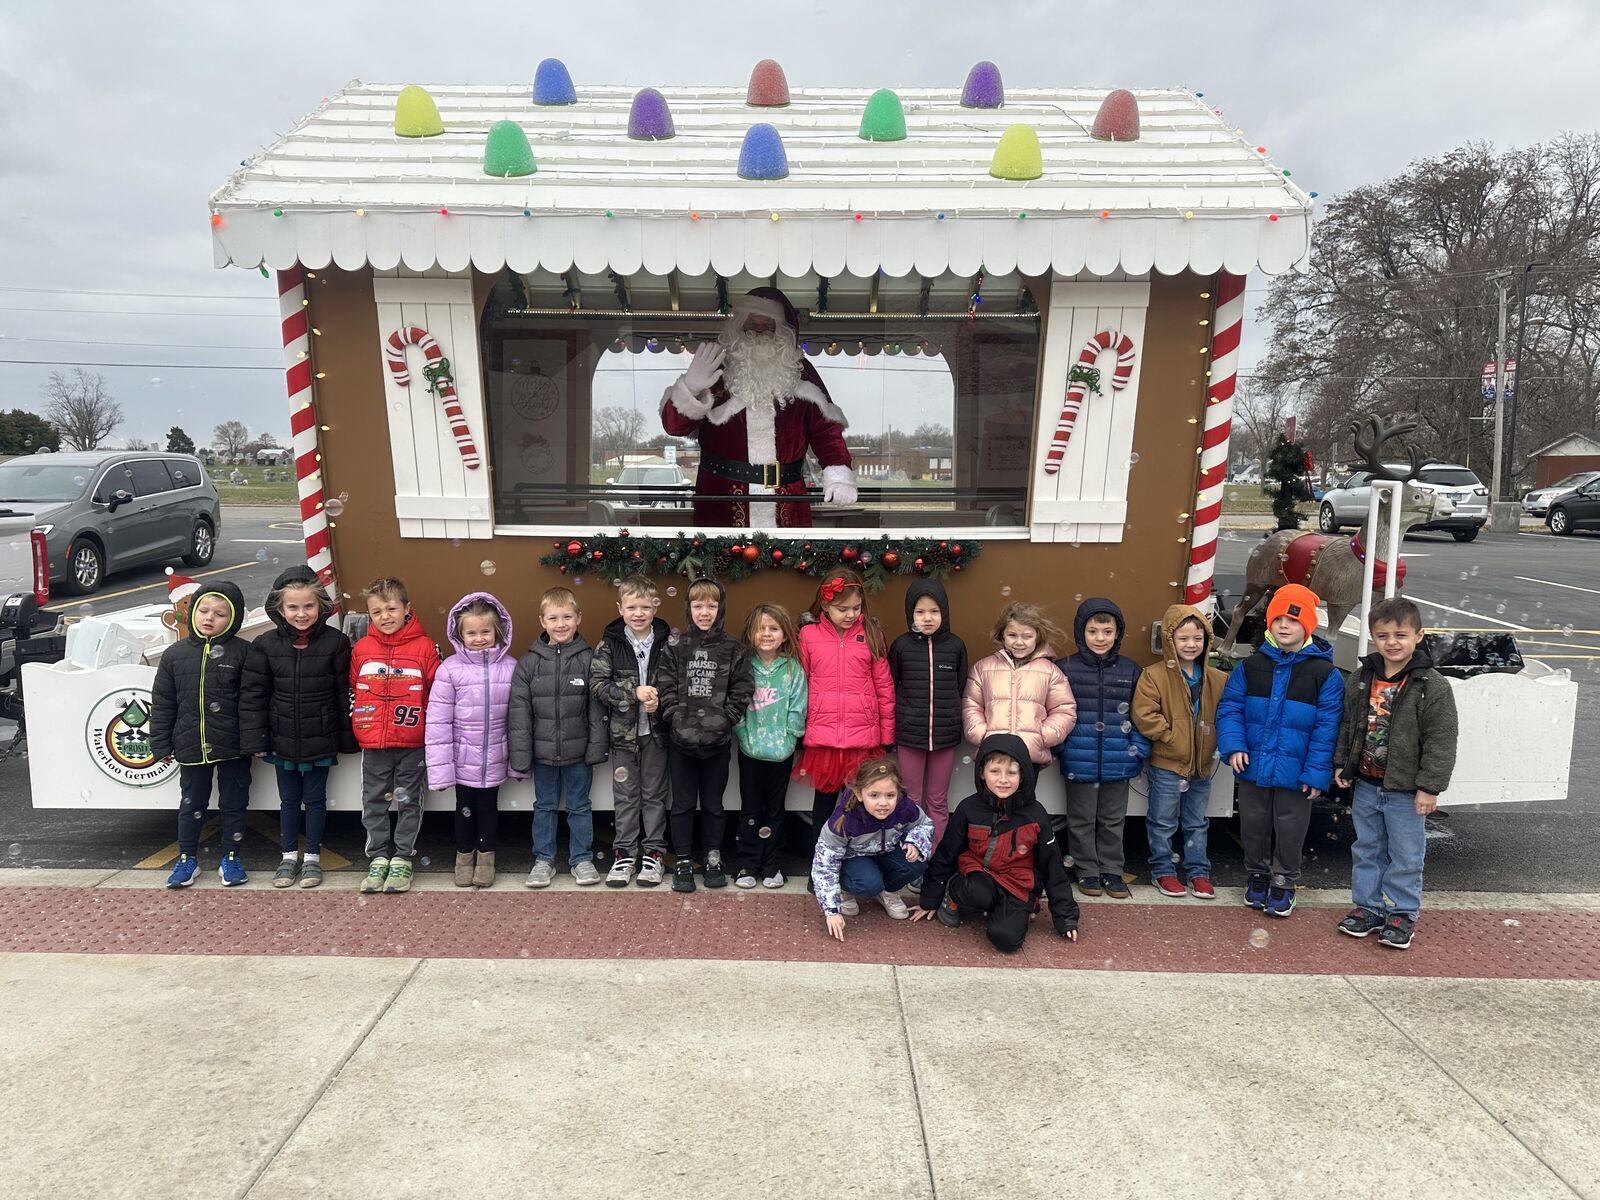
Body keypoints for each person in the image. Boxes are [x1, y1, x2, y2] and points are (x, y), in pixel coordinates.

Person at [661, 286, 857, 528]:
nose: (759, 331)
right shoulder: (716, 370)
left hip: (787, 505)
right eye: (752, 324)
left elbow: (825, 430)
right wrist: (689, 388)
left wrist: (838, 474)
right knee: (724, 554)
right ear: (739, 327)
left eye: (768, 325)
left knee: (786, 555)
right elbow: (674, 427)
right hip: (722, 503)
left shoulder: (800, 372)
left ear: (782, 331)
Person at [1333, 597, 1459, 949]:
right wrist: (1344, 764)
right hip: (1367, 785)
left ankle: (1403, 912)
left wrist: (1429, 787)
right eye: (1383, 635)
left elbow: (1441, 740)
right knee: (1367, 848)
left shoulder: (1431, 686)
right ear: (1372, 637)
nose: (1392, 642)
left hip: (1406, 790)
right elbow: (1349, 725)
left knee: (1406, 854)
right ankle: (1368, 908)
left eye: (1400, 635)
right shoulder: (1361, 678)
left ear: (1418, 636)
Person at [1216, 583, 1344, 918]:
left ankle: (1285, 880)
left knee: (1290, 828)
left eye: (1293, 620)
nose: (1284, 625)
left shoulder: (1325, 674)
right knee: (1253, 824)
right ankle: (1257, 874)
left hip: (1297, 771)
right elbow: (1230, 709)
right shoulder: (1251, 666)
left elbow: (1327, 729)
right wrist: (1234, 745)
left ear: (1308, 626)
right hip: (1255, 764)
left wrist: (1316, 773)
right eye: (1278, 619)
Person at [241, 566, 355, 890]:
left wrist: (346, 738)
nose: (301, 614)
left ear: (321, 605)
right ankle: (288, 857)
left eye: (308, 606)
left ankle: (313, 858)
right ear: (279, 608)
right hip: (282, 739)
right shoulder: (264, 645)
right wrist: (257, 738)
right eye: (293, 607)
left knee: (316, 800)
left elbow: (342, 693)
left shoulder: (336, 643)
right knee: (289, 802)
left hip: (321, 737)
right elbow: (254, 696)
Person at [913, 733, 1080, 952]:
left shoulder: (1035, 814)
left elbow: (1053, 867)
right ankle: (955, 893)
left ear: (1023, 775)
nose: (1003, 780)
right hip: (979, 874)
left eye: (1012, 772)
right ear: (982, 773)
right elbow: (946, 854)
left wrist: (1066, 917)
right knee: (977, 893)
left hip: (1017, 883)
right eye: (995, 771)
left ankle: (1009, 910)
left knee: (1006, 940)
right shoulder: (968, 808)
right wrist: (929, 899)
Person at [152, 581, 253, 889]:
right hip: (190, 745)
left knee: (234, 803)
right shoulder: (174, 655)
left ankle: (231, 857)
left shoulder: (244, 653)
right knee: (191, 804)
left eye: (220, 614)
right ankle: (187, 859)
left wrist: (254, 741)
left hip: (234, 746)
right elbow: (163, 703)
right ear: (192, 611)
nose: (210, 618)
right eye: (204, 610)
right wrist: (160, 743)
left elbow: (252, 703)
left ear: (234, 619)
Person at [657, 578, 755, 892]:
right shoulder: (676, 647)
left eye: (711, 606)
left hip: (717, 742)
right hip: (681, 742)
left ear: (720, 608)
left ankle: (713, 857)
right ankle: (683, 859)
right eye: (698, 605)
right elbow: (665, 686)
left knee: (714, 804)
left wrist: (726, 720)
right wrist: (674, 718)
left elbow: (742, 688)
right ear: (688, 608)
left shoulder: (732, 649)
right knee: (683, 804)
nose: (704, 612)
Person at [509, 587, 608, 888]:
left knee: (580, 806)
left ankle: (582, 859)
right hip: (543, 754)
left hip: (579, 754)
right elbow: (519, 713)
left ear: (579, 618)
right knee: (545, 806)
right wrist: (521, 754)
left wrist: (596, 747)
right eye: (553, 618)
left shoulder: (589, 660)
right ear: (542, 621)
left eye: (567, 617)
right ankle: (544, 860)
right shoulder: (529, 663)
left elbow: (597, 710)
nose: (561, 624)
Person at [350, 577, 441, 896]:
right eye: (376, 612)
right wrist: (358, 724)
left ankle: (403, 857)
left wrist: (430, 730)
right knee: (373, 800)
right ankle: (377, 857)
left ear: (407, 608)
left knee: (409, 801)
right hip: (373, 743)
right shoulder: (361, 649)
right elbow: (354, 690)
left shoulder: (426, 647)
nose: (385, 617)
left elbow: (436, 693)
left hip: (412, 743)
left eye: (391, 609)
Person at [796, 569, 896, 858]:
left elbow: (884, 687)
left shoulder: (872, 634)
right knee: (824, 807)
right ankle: (821, 863)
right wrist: (799, 729)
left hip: (863, 741)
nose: (850, 614)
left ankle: (857, 863)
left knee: (859, 806)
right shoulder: (808, 635)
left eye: (856, 608)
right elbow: (799, 685)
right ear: (825, 605)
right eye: (843, 609)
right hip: (824, 740)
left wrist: (887, 734)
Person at [1131, 604, 1227, 899]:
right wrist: (1171, 738)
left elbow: (1227, 714)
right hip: (1167, 764)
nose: (1191, 644)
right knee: (1162, 821)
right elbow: (1145, 714)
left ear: (1207, 641)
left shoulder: (1217, 679)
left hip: (1201, 765)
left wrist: (1215, 743)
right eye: (1183, 638)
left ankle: (1199, 872)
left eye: (1198, 638)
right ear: (1169, 640)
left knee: (1197, 822)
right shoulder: (1154, 675)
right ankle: (1163, 870)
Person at [1055, 598, 1149, 898]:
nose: (1100, 638)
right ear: (1080, 632)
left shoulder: (1130, 670)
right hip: (1078, 760)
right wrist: (1062, 747)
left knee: (1112, 820)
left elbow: (1141, 715)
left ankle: (1112, 870)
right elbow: (1053, 711)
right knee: (1081, 820)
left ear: (1117, 634)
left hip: (1119, 760)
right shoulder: (1065, 668)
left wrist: (1137, 750)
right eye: (1093, 631)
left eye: (1107, 632)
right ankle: (1087, 871)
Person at [427, 593, 519, 889]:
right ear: (459, 635)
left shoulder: (511, 667)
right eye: (471, 633)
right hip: (462, 758)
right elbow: (438, 722)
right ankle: (464, 857)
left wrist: (518, 760)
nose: (479, 638)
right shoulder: (450, 670)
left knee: (489, 809)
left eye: (485, 632)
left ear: (498, 631)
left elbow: (519, 720)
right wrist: (440, 769)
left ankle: (486, 859)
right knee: (464, 809)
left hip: (496, 757)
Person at [592, 575, 672, 888]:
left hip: (656, 734)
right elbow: (598, 685)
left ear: (655, 607)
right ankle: (624, 854)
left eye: (645, 607)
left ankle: (653, 854)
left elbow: (677, 682)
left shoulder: (668, 642)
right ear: (620, 609)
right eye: (631, 607)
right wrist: (633, 692)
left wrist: (660, 700)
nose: (638, 613)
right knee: (626, 796)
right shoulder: (610, 644)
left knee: (654, 795)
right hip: (623, 736)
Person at [811, 758, 934, 942]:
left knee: (916, 863)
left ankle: (887, 891)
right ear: (859, 794)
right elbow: (824, 865)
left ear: (898, 793)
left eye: (890, 795)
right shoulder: (844, 821)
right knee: (868, 883)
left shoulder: (905, 808)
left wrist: (915, 842)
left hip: (886, 852)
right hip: (853, 858)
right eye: (874, 795)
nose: (883, 803)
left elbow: (924, 824)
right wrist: (832, 910)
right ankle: (845, 890)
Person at [887, 578, 968, 843]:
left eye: (934, 611)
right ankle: (910, 854)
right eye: (920, 612)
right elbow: (893, 685)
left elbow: (960, 686)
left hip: (945, 736)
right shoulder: (901, 646)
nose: (927, 618)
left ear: (944, 612)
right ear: (910, 614)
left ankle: (935, 854)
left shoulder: (955, 646)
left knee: (937, 799)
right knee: (910, 797)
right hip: (910, 736)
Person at [733, 603, 807, 890]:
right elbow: (736, 703)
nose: (766, 634)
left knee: (775, 811)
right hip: (750, 750)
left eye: (773, 628)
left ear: (785, 634)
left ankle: (772, 864)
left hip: (781, 752)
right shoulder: (743, 665)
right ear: (750, 633)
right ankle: (747, 863)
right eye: (760, 628)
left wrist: (790, 738)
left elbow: (798, 706)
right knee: (750, 809)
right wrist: (742, 734)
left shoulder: (792, 668)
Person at [963, 601, 1076, 766]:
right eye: (1012, 635)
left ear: (1038, 637)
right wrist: (982, 735)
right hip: (991, 752)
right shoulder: (982, 668)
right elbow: (971, 705)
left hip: (1030, 754)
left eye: (1027, 636)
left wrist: (1042, 736)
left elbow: (1064, 710)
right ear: (1002, 635)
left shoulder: (1050, 671)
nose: (1019, 642)